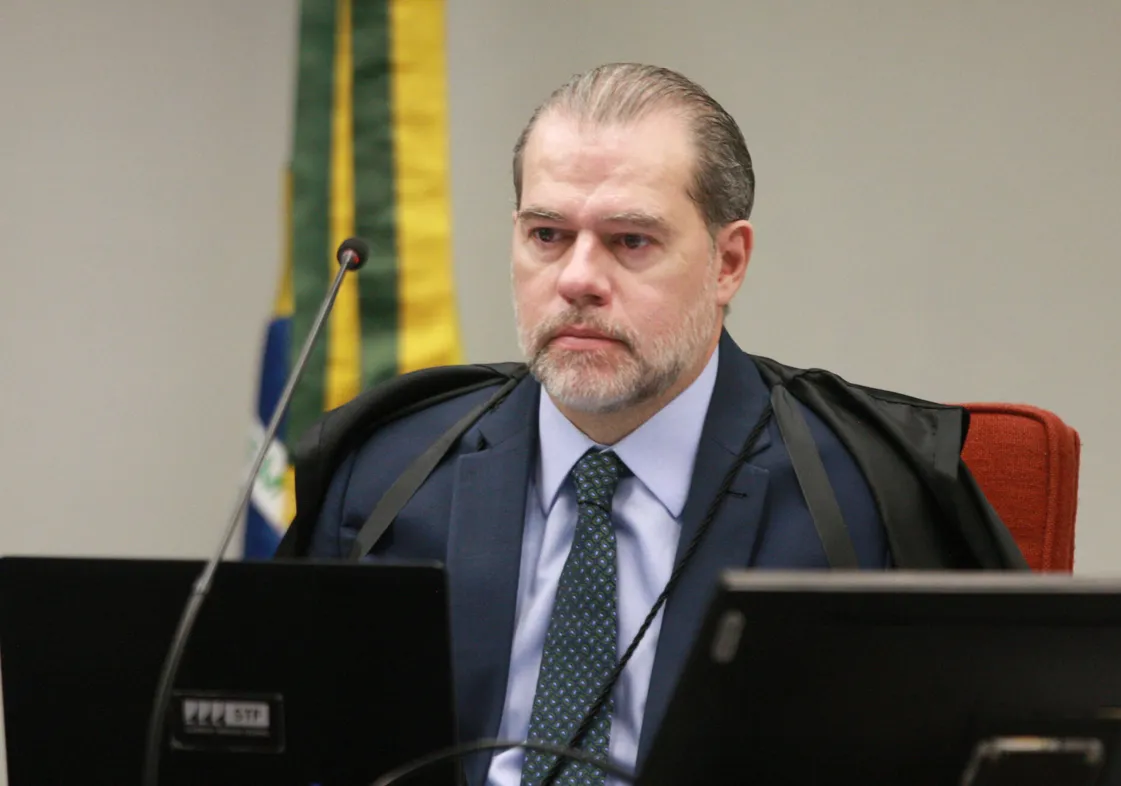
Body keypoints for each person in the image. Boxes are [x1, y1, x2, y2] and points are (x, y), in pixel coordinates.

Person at [279, 63, 1027, 786]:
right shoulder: (387, 475)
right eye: (547, 235)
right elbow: (282, 742)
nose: (577, 279)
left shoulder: (863, 494)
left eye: (630, 240)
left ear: (728, 262)